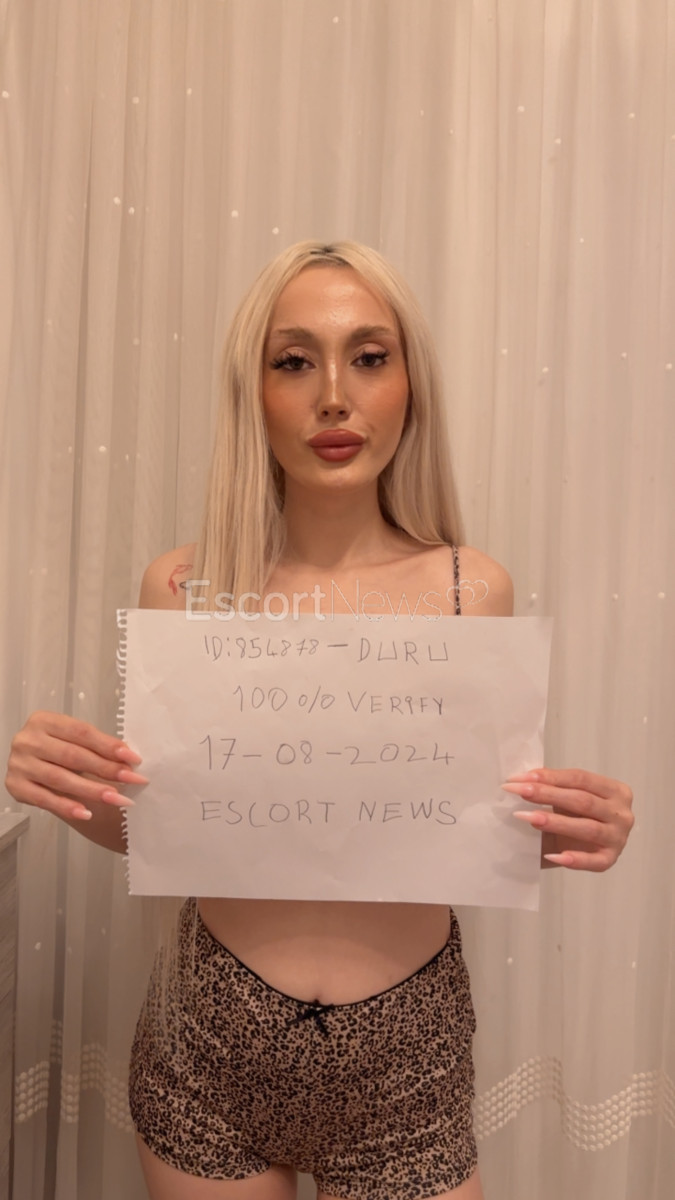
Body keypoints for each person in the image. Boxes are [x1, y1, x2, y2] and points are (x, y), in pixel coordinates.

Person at [5, 241, 634, 1200]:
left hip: (406, 1059)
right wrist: (66, 785)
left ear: (410, 385)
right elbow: (164, 830)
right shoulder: (186, 586)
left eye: (368, 357)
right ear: (252, 393)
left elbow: (456, 824)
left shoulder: (471, 588)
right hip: (208, 1040)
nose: (334, 397)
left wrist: (564, 831)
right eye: (294, 361)